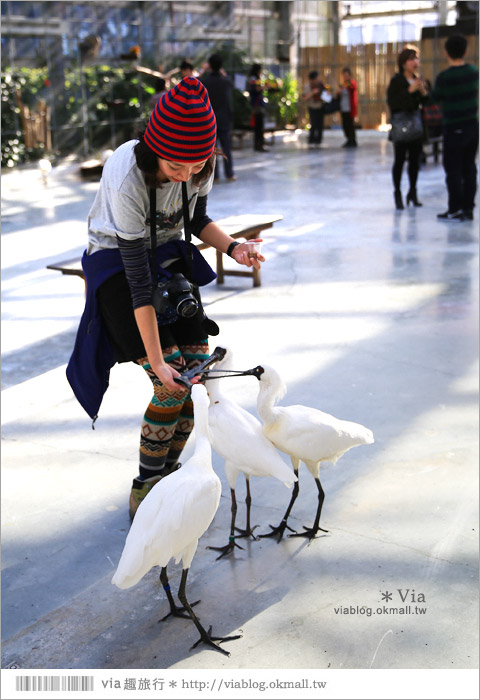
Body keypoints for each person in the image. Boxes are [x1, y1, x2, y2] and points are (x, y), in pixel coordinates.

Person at [66, 77, 264, 520]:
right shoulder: (127, 178)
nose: (189, 174)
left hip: (168, 252)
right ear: (155, 148)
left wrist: (234, 247)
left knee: (192, 374)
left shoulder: (199, 165)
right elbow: (137, 282)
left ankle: (170, 477)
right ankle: (146, 490)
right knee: (168, 381)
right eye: (178, 166)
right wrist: (156, 361)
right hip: (118, 262)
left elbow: (197, 219)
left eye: (197, 164)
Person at [432, 34, 479, 222]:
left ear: (446, 53)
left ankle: (454, 209)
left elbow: (435, 99)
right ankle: (468, 209)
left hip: (453, 129)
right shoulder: (473, 72)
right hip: (472, 127)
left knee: (453, 170)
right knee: (469, 168)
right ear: (465, 51)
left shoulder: (444, 78)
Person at [387, 45, 428, 210]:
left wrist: (423, 92)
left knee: (414, 162)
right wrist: (409, 91)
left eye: (416, 58)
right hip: (401, 126)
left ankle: (413, 191)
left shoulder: (419, 80)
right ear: (403, 63)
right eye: (411, 59)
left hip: (416, 127)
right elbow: (393, 103)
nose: (415, 62)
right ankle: (397, 193)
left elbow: (427, 103)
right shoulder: (397, 81)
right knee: (399, 160)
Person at [200, 53, 236, 182]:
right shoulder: (226, 82)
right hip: (224, 119)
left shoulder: (204, 82)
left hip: (208, 121)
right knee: (226, 148)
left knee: (211, 150)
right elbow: (231, 84)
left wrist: (202, 71)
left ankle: (213, 176)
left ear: (209, 65)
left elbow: (195, 83)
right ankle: (229, 174)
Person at [302, 70, 326, 148]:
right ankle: (312, 140)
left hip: (320, 107)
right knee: (314, 124)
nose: (318, 80)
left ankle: (318, 141)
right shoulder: (307, 86)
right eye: (317, 78)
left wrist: (327, 94)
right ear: (312, 79)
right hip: (312, 107)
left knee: (320, 125)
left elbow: (326, 98)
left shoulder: (321, 85)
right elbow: (305, 98)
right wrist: (313, 93)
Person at [248, 63, 268, 152]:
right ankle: (259, 145)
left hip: (257, 104)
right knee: (259, 126)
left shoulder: (254, 78)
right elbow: (256, 89)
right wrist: (264, 87)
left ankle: (259, 145)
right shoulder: (254, 79)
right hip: (257, 106)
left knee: (259, 126)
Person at [337, 67, 358, 148]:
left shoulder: (351, 84)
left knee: (350, 125)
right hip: (343, 108)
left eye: (346, 75)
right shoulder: (343, 85)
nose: (345, 77)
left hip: (350, 108)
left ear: (350, 76)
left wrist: (344, 87)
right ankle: (348, 139)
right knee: (345, 125)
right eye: (344, 76)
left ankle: (352, 140)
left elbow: (351, 88)